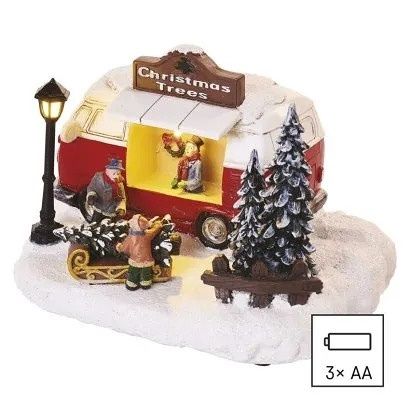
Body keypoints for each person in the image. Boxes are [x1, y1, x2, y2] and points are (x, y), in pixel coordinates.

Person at [116, 214, 163, 290]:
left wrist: (119, 247)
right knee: (146, 272)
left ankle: (131, 283)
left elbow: (125, 246)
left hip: (134, 259)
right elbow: (155, 230)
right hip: (146, 259)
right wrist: (157, 224)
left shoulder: (130, 236)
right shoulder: (147, 234)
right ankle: (145, 283)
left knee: (133, 272)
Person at [86, 159, 126, 223]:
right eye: (114, 173)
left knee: (109, 227)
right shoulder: (98, 178)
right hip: (99, 209)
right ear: (107, 172)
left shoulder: (119, 184)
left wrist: (121, 208)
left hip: (111, 212)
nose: (116, 176)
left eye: (118, 173)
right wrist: (91, 196)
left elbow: (122, 198)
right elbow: (91, 188)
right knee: (94, 224)